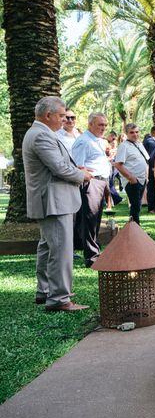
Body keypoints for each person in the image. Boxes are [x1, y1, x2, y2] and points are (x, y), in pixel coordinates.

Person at [23, 96, 92, 311]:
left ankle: (44, 291)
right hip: (53, 201)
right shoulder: (41, 136)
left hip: (51, 200)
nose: (64, 120)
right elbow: (60, 168)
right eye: (61, 115)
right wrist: (83, 176)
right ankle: (60, 299)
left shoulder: (40, 133)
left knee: (47, 247)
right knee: (61, 249)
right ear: (48, 115)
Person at [72, 112, 111, 268]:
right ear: (90, 124)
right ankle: (91, 257)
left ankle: (94, 251)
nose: (103, 128)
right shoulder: (83, 141)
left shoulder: (99, 141)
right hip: (91, 182)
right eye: (100, 124)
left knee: (95, 219)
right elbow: (78, 166)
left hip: (101, 182)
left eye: (105, 125)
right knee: (89, 220)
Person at [114, 123, 149, 224]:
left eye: (137, 132)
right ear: (127, 133)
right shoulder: (124, 146)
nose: (135, 134)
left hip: (142, 180)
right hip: (133, 181)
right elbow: (118, 165)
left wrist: (147, 177)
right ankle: (135, 231)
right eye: (132, 132)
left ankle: (135, 229)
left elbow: (145, 160)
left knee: (138, 206)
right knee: (135, 207)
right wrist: (131, 178)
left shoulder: (140, 144)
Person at [143, 125, 155, 214]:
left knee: (152, 188)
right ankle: (151, 207)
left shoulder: (149, 141)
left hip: (152, 167)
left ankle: (153, 206)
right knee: (151, 187)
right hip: (152, 168)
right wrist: (153, 167)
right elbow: (150, 157)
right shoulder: (150, 142)